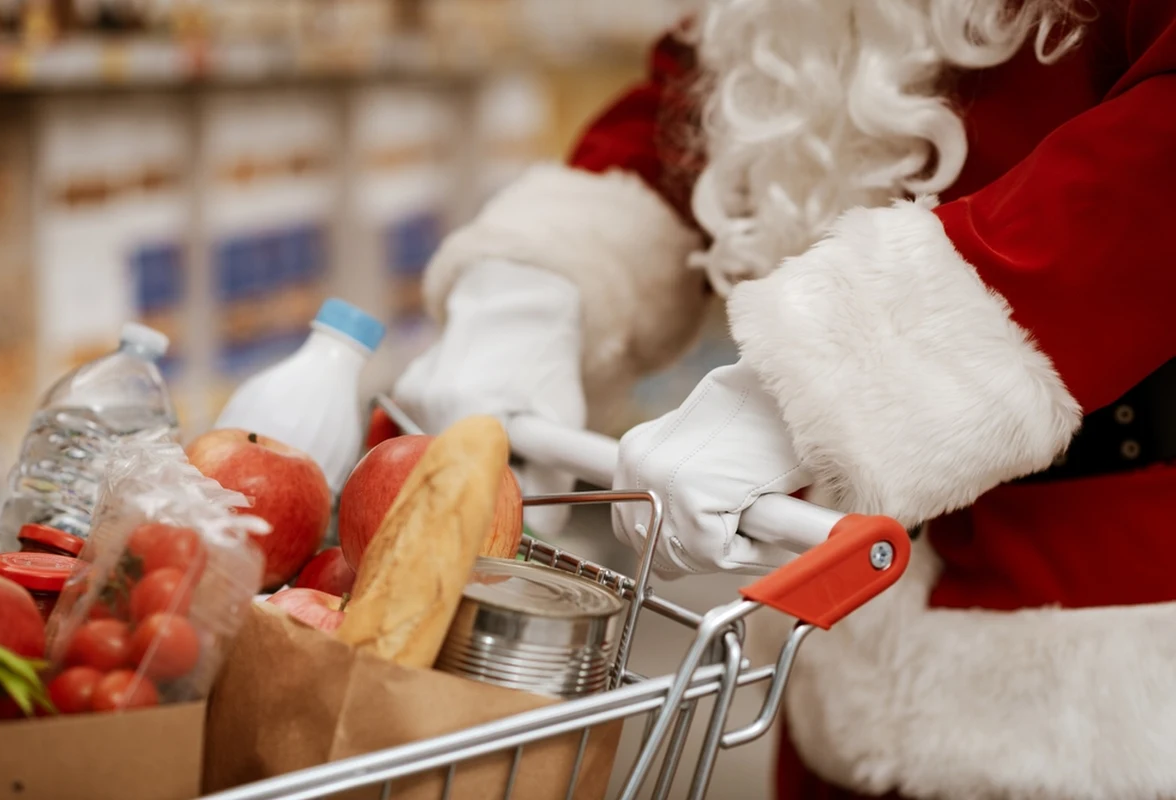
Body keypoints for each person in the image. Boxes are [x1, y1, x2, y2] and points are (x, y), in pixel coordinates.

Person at [395, 0, 1176, 797]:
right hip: (836, 638)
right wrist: (536, 288)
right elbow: (735, 90)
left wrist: (839, 377)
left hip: (1098, 658)